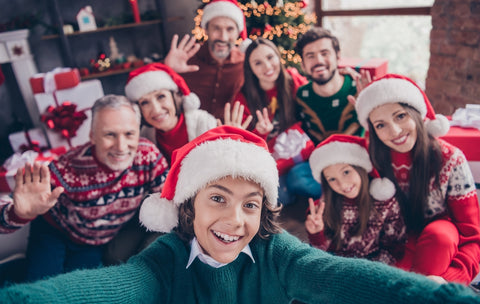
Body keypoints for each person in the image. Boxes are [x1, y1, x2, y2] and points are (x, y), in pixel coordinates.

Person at [1, 126, 479, 303]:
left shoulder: (276, 253)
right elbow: (102, 289)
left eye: (251, 204)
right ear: (186, 207)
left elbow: (335, 275)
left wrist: (431, 294)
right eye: (217, 198)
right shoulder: (163, 261)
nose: (235, 220)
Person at [0, 95, 169, 282]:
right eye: (109, 134)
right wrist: (19, 213)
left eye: (129, 134)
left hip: (94, 243)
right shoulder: (68, 167)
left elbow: (168, 196)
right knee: (41, 287)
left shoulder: (147, 155)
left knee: (79, 288)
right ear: (92, 136)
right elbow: (8, 211)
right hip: (53, 233)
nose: (121, 147)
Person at [354, 73, 480, 284]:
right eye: (380, 125)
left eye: (400, 116)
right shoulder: (369, 160)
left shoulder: (450, 159)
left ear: (417, 114)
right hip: (390, 247)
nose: (394, 131)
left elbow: (473, 238)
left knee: (441, 234)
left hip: (438, 249)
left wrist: (449, 282)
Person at [285, 27, 372, 202]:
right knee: (295, 177)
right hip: (321, 164)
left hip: (356, 162)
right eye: (310, 56)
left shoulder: (358, 88)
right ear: (302, 65)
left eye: (325, 53)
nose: (318, 60)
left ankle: (340, 194)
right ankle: (342, 194)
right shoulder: (302, 95)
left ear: (337, 57)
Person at [227, 37, 308, 205]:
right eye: (258, 63)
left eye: (270, 58)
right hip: (269, 163)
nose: (267, 67)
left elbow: (315, 98)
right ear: (250, 69)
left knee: (295, 184)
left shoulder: (292, 80)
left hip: (299, 155)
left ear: (278, 57)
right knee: (276, 197)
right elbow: (244, 149)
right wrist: (260, 133)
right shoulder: (243, 98)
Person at [305, 134, 406, 265]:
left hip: (375, 269)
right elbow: (323, 252)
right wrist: (316, 234)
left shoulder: (385, 203)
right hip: (337, 267)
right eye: (332, 179)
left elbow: (395, 248)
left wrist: (370, 271)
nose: (342, 184)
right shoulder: (321, 210)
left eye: (346, 172)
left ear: (361, 168)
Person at [164, 0, 248, 119]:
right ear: (206, 29)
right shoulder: (186, 58)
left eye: (230, 29)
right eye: (216, 28)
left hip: (229, 133)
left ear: (238, 32)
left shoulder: (246, 63)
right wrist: (167, 71)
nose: (223, 37)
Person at [124, 63, 217, 164]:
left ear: (175, 97)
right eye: (145, 103)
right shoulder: (145, 137)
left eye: (161, 97)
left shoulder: (204, 123)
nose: (156, 110)